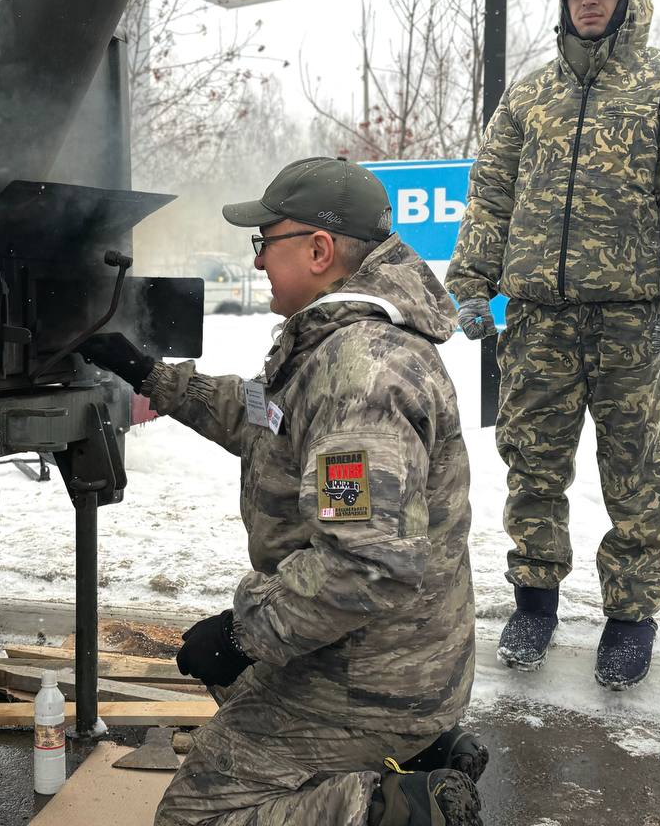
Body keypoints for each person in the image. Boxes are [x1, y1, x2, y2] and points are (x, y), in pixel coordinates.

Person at [82, 157, 486, 825]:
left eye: (265, 242)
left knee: (192, 818)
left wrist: (244, 634)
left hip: (373, 674)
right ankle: (411, 755)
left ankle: (400, 806)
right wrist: (148, 373)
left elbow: (363, 565)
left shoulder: (362, 374)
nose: (260, 259)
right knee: (230, 683)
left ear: (320, 250)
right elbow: (262, 418)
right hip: (371, 648)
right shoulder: (331, 344)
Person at [445, 0, 660, 689]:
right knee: (531, 465)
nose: (588, 0)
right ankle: (535, 603)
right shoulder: (531, 94)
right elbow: (493, 192)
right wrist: (473, 283)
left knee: (636, 473)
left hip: (632, 321)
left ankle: (630, 619)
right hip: (540, 318)